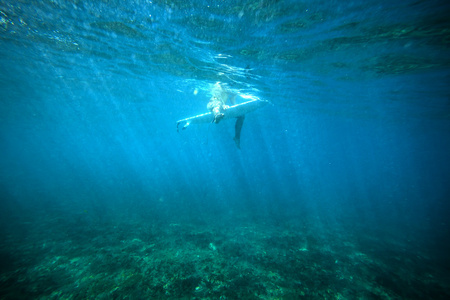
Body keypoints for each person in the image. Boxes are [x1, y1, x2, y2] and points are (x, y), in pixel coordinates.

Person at [207, 82, 245, 149]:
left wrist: (236, 110)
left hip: (222, 108)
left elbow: (232, 100)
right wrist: (223, 105)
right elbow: (217, 97)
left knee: (241, 116)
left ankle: (237, 137)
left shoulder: (230, 90)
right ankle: (217, 117)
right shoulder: (218, 85)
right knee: (217, 105)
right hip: (212, 104)